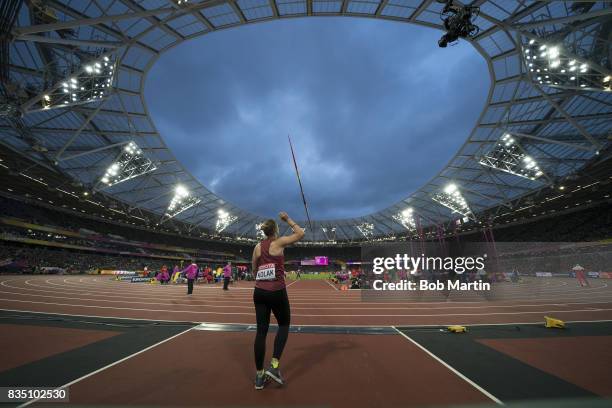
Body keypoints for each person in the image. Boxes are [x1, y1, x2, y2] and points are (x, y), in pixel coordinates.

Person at [251, 212, 304, 390]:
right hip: (276, 291)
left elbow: (253, 267)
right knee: (283, 325)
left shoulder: (258, 246)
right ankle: (273, 366)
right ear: (275, 230)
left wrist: (258, 279)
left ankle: (259, 377)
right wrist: (288, 219)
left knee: (261, 332)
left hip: (259, 292)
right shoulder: (279, 242)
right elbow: (300, 234)